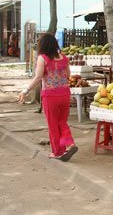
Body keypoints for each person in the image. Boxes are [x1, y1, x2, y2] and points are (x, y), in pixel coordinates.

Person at [18, 33, 78, 162]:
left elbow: (38, 77)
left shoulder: (42, 58)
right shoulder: (64, 58)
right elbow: (68, 75)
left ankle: (57, 152)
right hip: (65, 94)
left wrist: (26, 90)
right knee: (62, 122)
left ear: (43, 45)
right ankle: (70, 143)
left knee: (53, 124)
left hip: (50, 95)